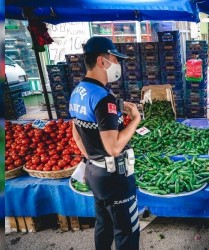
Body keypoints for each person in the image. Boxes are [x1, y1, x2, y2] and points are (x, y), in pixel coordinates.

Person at [69, 36, 141, 250]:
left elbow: (76, 135)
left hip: (95, 173)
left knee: (104, 224)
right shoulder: (103, 98)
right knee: (126, 230)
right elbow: (114, 147)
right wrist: (136, 119)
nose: (118, 64)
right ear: (102, 61)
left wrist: (93, 159)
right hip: (114, 178)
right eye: (115, 59)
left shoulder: (78, 92)